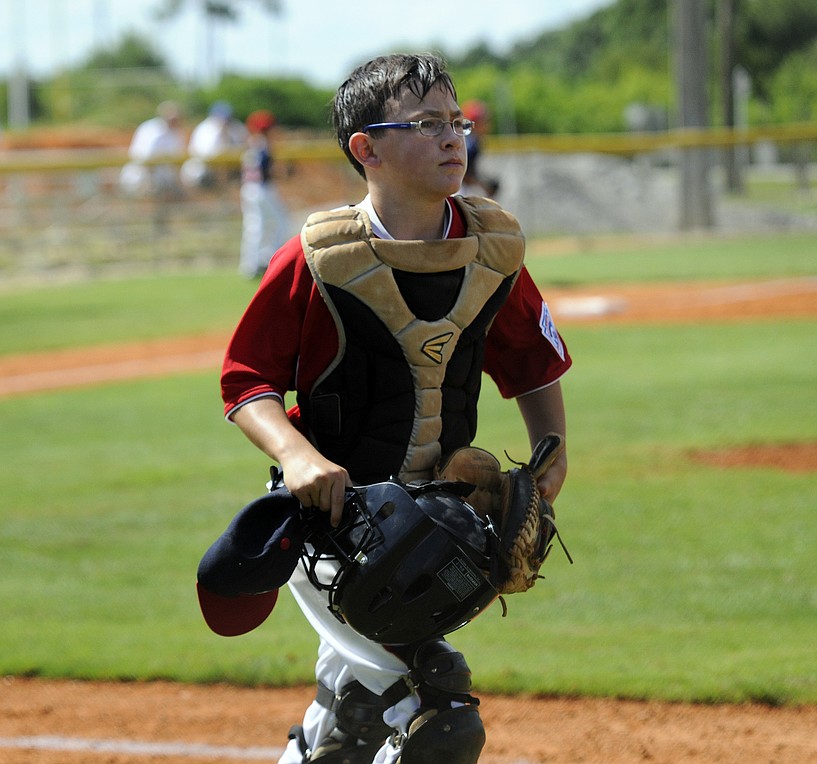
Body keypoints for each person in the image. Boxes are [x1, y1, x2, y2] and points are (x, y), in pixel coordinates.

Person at [219, 53, 571, 764]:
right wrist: (297, 456)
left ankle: (339, 728)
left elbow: (533, 362)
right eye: (427, 123)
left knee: (352, 722)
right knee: (441, 718)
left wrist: (551, 454)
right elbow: (246, 381)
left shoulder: (492, 250)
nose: (452, 137)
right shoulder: (321, 257)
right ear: (367, 149)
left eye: (455, 121)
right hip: (335, 528)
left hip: (440, 521)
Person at [238, 109, 293, 278]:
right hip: (263, 189)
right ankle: (270, 259)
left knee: (254, 227)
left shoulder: (251, 144)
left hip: (249, 188)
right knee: (282, 221)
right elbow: (269, 171)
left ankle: (250, 265)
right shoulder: (264, 144)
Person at [119, 101, 185, 199]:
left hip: (163, 180)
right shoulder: (152, 130)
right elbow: (146, 160)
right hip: (141, 178)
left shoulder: (176, 132)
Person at [181, 101, 248, 189]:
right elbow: (202, 153)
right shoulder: (205, 128)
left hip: (231, 169)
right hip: (207, 168)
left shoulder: (236, 126)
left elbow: (244, 148)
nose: (224, 121)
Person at [460, 100, 500, 198]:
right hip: (459, 189)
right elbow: (463, 173)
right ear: (475, 124)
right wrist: (483, 185)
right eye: (484, 121)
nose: (488, 125)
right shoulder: (470, 143)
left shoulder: (474, 140)